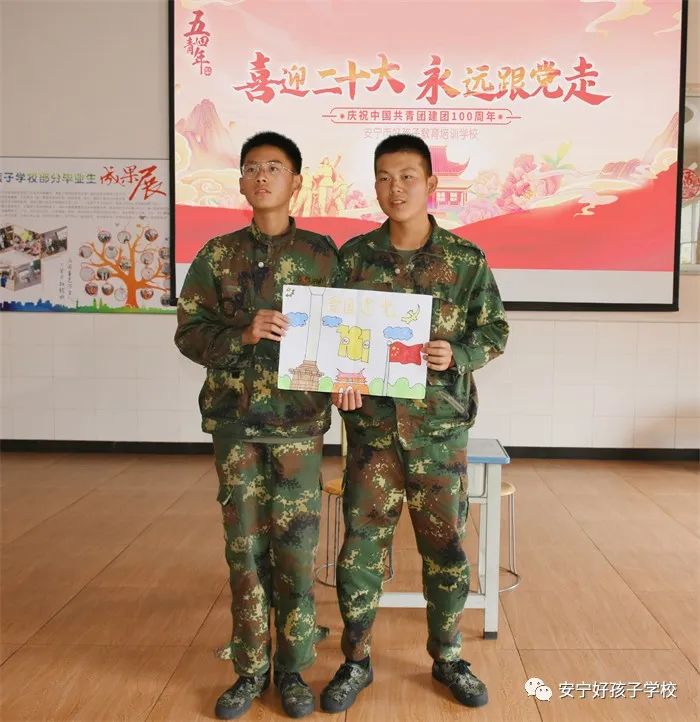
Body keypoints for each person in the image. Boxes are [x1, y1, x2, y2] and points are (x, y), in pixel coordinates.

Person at [320, 134, 509, 713]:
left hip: (438, 435)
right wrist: (337, 378)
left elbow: (495, 330)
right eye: (383, 177)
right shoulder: (353, 258)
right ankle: (356, 660)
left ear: (431, 183)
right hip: (372, 434)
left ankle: (448, 657)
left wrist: (459, 354)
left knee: (446, 549)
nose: (394, 188)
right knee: (360, 551)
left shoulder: (464, 259)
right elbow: (332, 334)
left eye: (406, 177)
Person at [175, 131, 338, 720]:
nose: (262, 176)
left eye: (274, 166)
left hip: (299, 427)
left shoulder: (323, 255)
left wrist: (352, 372)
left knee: (296, 554)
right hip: (237, 426)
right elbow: (189, 333)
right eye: (251, 167)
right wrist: (242, 335)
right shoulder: (217, 255)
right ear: (241, 181)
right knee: (245, 552)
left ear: (297, 181)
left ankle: (292, 670)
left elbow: (351, 331)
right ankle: (250, 670)